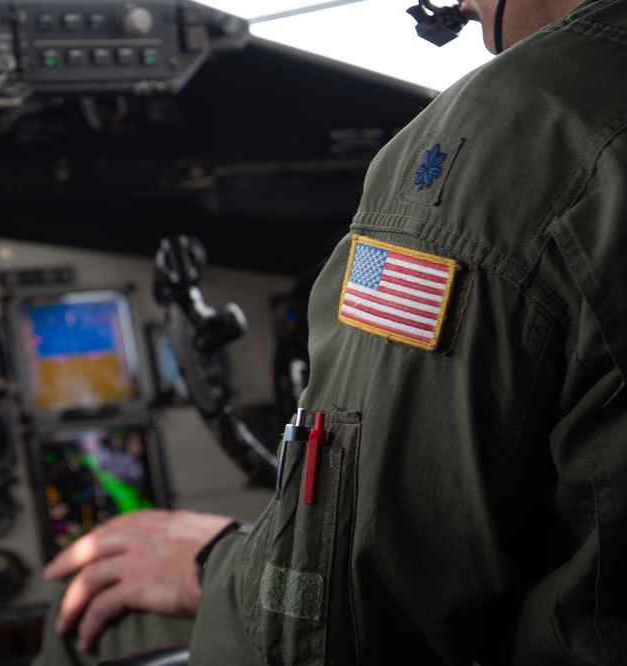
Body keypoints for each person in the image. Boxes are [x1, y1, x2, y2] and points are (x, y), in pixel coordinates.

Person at [33, 0, 627, 661]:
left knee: (87, 612)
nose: (461, 9)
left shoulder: (521, 127)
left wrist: (205, 563)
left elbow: (337, 627)